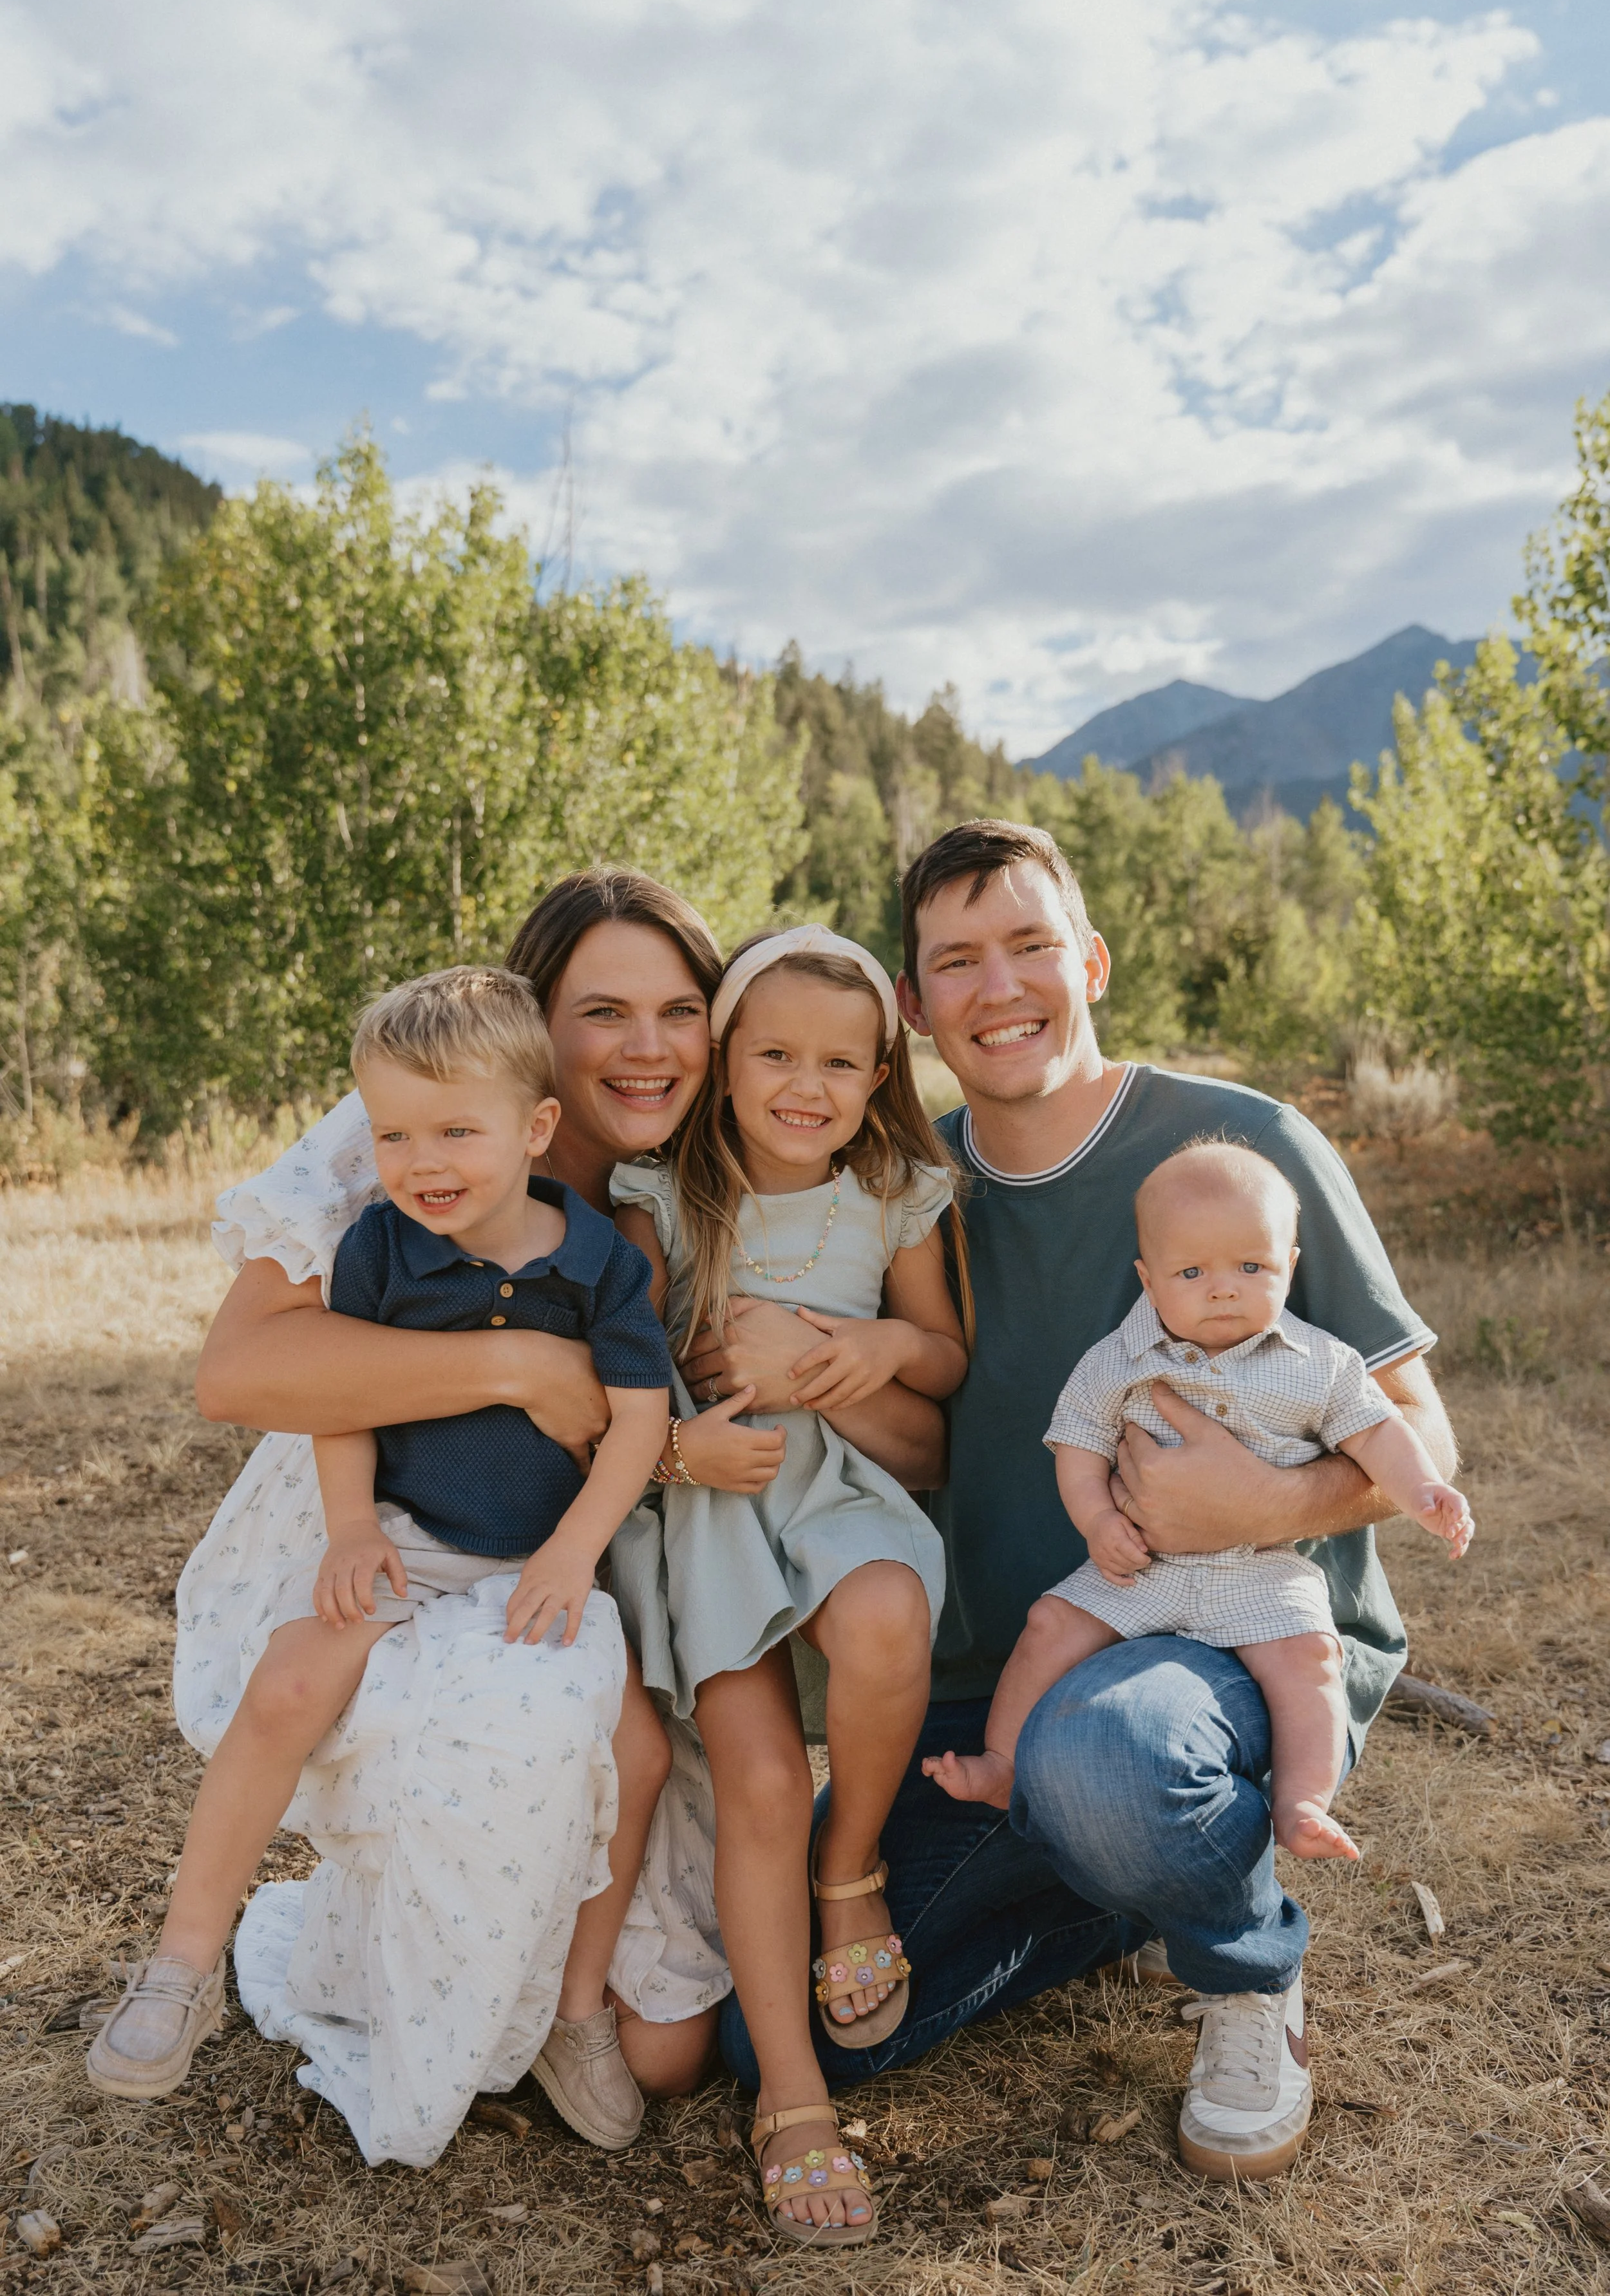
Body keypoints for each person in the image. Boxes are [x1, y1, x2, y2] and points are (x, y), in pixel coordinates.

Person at [713, 819, 1459, 2187]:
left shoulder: (1240, 1146)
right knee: (776, 2040)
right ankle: (1124, 1884)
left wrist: (1263, 1501)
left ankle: (1244, 1969)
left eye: (1029, 946)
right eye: (957, 961)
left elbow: (1424, 1429)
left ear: (1093, 961)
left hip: (1226, 1644)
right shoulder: (898, 1187)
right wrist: (809, 1364)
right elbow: (917, 1441)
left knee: (1110, 1756)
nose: (998, 988)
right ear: (910, 1004)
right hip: (991, 1690)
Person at [169, 870, 943, 2169]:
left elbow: (899, 1434)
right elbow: (236, 1373)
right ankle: (413, 1938)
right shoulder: (428, 1120)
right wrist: (519, 1365)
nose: (648, 1047)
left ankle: (550, 1977)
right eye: (603, 1012)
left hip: (620, 1560)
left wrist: (825, 1364)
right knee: (491, 1748)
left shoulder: (706, 1166)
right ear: (536, 1024)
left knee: (669, 2051)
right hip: (419, 1529)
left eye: (679, 1011)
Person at [91, 965, 677, 2148]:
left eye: (455, 1130)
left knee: (638, 1750)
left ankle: (575, 2012)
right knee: (288, 1683)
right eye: (395, 1134)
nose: (422, 1161)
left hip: (543, 1558)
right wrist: (353, 1526)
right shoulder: (379, 1250)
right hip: (408, 1536)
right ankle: (181, 1962)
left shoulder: (603, 1261)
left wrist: (575, 1551)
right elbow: (342, 1397)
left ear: (536, 1128)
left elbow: (639, 1420)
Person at [613, 925, 967, 2244]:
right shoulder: (661, 1196)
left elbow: (942, 1359)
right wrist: (676, 1433)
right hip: (710, 1500)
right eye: (773, 1055)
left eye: (838, 1062)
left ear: (880, 1075)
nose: (804, 1086)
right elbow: (619, 1365)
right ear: (723, 1060)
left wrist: (871, 1345)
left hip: (833, 1481)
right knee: (760, 1779)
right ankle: (793, 2096)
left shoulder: (894, 1193)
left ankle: (850, 1864)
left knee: (886, 1616)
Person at [925, 1138, 1472, 1867]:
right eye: (1192, 1272)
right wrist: (1099, 1521)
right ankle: (1002, 1761)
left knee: (1310, 1658)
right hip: (1142, 1567)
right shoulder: (1116, 1362)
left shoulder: (1320, 1365)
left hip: (1258, 1568)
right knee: (1050, 1623)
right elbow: (1078, 1446)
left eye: (1251, 1268)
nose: (1223, 1290)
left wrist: (1423, 1490)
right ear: (1148, 1280)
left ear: (1289, 1267)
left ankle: (1302, 1802)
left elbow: (1378, 1433)